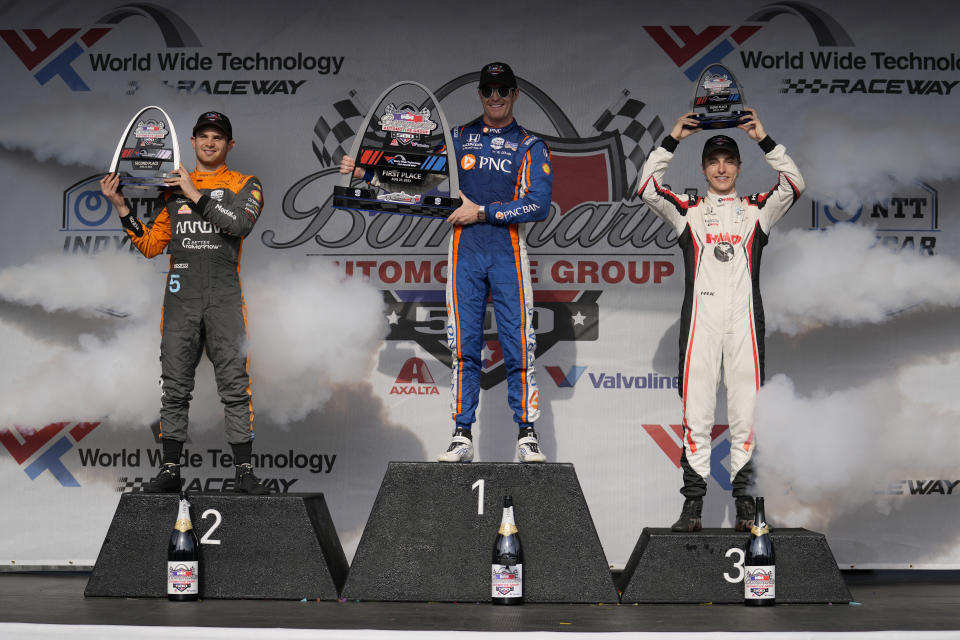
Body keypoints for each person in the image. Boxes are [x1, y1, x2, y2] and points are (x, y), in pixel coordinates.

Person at [341, 61, 552, 463]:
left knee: (518, 345)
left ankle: (526, 433)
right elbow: (414, 176)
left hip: (507, 251)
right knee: (464, 346)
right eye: (488, 90)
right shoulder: (458, 138)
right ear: (480, 94)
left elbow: (538, 204)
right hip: (463, 253)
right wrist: (365, 170)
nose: (495, 97)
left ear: (514, 94)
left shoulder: (530, 145)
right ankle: (461, 434)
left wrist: (483, 212)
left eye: (502, 90)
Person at [637, 109, 804, 531]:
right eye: (714, 161)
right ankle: (692, 509)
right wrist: (673, 137)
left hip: (746, 324)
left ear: (739, 166)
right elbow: (645, 186)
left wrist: (764, 139)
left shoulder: (756, 211)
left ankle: (745, 509)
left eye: (729, 160)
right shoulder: (688, 211)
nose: (722, 167)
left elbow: (794, 183)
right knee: (697, 416)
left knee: (747, 415)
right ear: (705, 167)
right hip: (701, 324)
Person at [100, 111, 268, 494]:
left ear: (229, 145)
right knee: (174, 388)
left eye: (218, 137)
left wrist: (194, 192)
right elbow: (149, 246)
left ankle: (244, 471)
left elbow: (239, 225)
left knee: (234, 386)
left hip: (225, 299)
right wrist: (121, 206)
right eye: (203, 136)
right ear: (191, 142)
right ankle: (170, 469)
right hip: (180, 299)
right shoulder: (171, 192)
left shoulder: (245, 184)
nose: (210, 143)